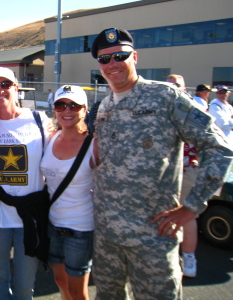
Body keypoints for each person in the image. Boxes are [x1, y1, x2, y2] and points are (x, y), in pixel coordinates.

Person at [90, 28, 233, 300]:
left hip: (152, 238)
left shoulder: (166, 97)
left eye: (119, 56)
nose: (112, 64)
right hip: (108, 237)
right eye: (104, 59)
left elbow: (219, 147)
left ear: (134, 56)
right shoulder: (104, 106)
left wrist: (192, 207)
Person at [0, 67, 50, 300]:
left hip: (29, 217)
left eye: (5, 84)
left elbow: (59, 158)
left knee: (24, 287)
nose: (0, 90)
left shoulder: (39, 120)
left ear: (16, 87)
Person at [40, 85, 96, 300]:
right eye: (61, 105)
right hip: (54, 225)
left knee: (77, 291)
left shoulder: (93, 144)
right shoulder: (51, 137)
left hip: (81, 229)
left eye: (74, 105)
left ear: (84, 110)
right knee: (60, 281)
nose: (67, 110)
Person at [166, 74, 199, 278]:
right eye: (169, 85)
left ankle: (189, 257)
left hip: (186, 169)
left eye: (177, 85)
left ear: (185, 88)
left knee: (186, 214)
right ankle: (172, 255)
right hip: (164, 173)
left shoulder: (192, 108)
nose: (173, 89)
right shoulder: (162, 106)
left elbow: (213, 142)